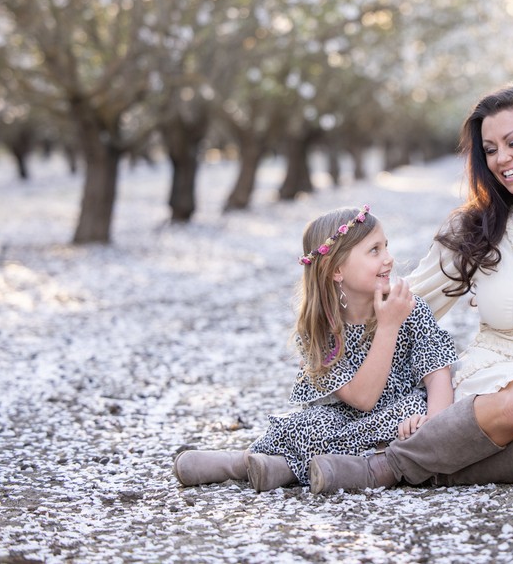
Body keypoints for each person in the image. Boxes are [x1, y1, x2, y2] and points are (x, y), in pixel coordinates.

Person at [307, 84, 513, 493]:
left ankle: (414, 467)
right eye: (491, 149)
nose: (502, 159)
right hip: (496, 383)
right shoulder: (475, 230)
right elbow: (405, 301)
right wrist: (328, 317)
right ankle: (389, 466)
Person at [173, 205, 456, 490]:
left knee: (415, 407)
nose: (389, 259)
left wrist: (429, 425)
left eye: (386, 247)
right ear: (336, 270)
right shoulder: (319, 331)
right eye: (374, 251)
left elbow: (437, 373)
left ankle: (280, 466)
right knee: (309, 423)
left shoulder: (408, 308)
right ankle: (253, 462)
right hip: (346, 419)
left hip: (400, 417)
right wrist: (388, 327)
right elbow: (362, 399)